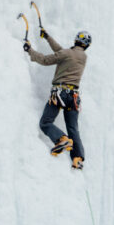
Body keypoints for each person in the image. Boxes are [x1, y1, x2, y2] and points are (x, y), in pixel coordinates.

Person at [23, 28, 92, 169]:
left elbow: (45, 59)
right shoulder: (82, 57)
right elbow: (61, 52)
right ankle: (77, 158)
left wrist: (30, 50)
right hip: (73, 98)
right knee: (73, 128)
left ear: (76, 40)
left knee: (45, 123)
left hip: (60, 93)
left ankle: (61, 139)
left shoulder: (67, 54)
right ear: (86, 45)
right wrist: (48, 37)